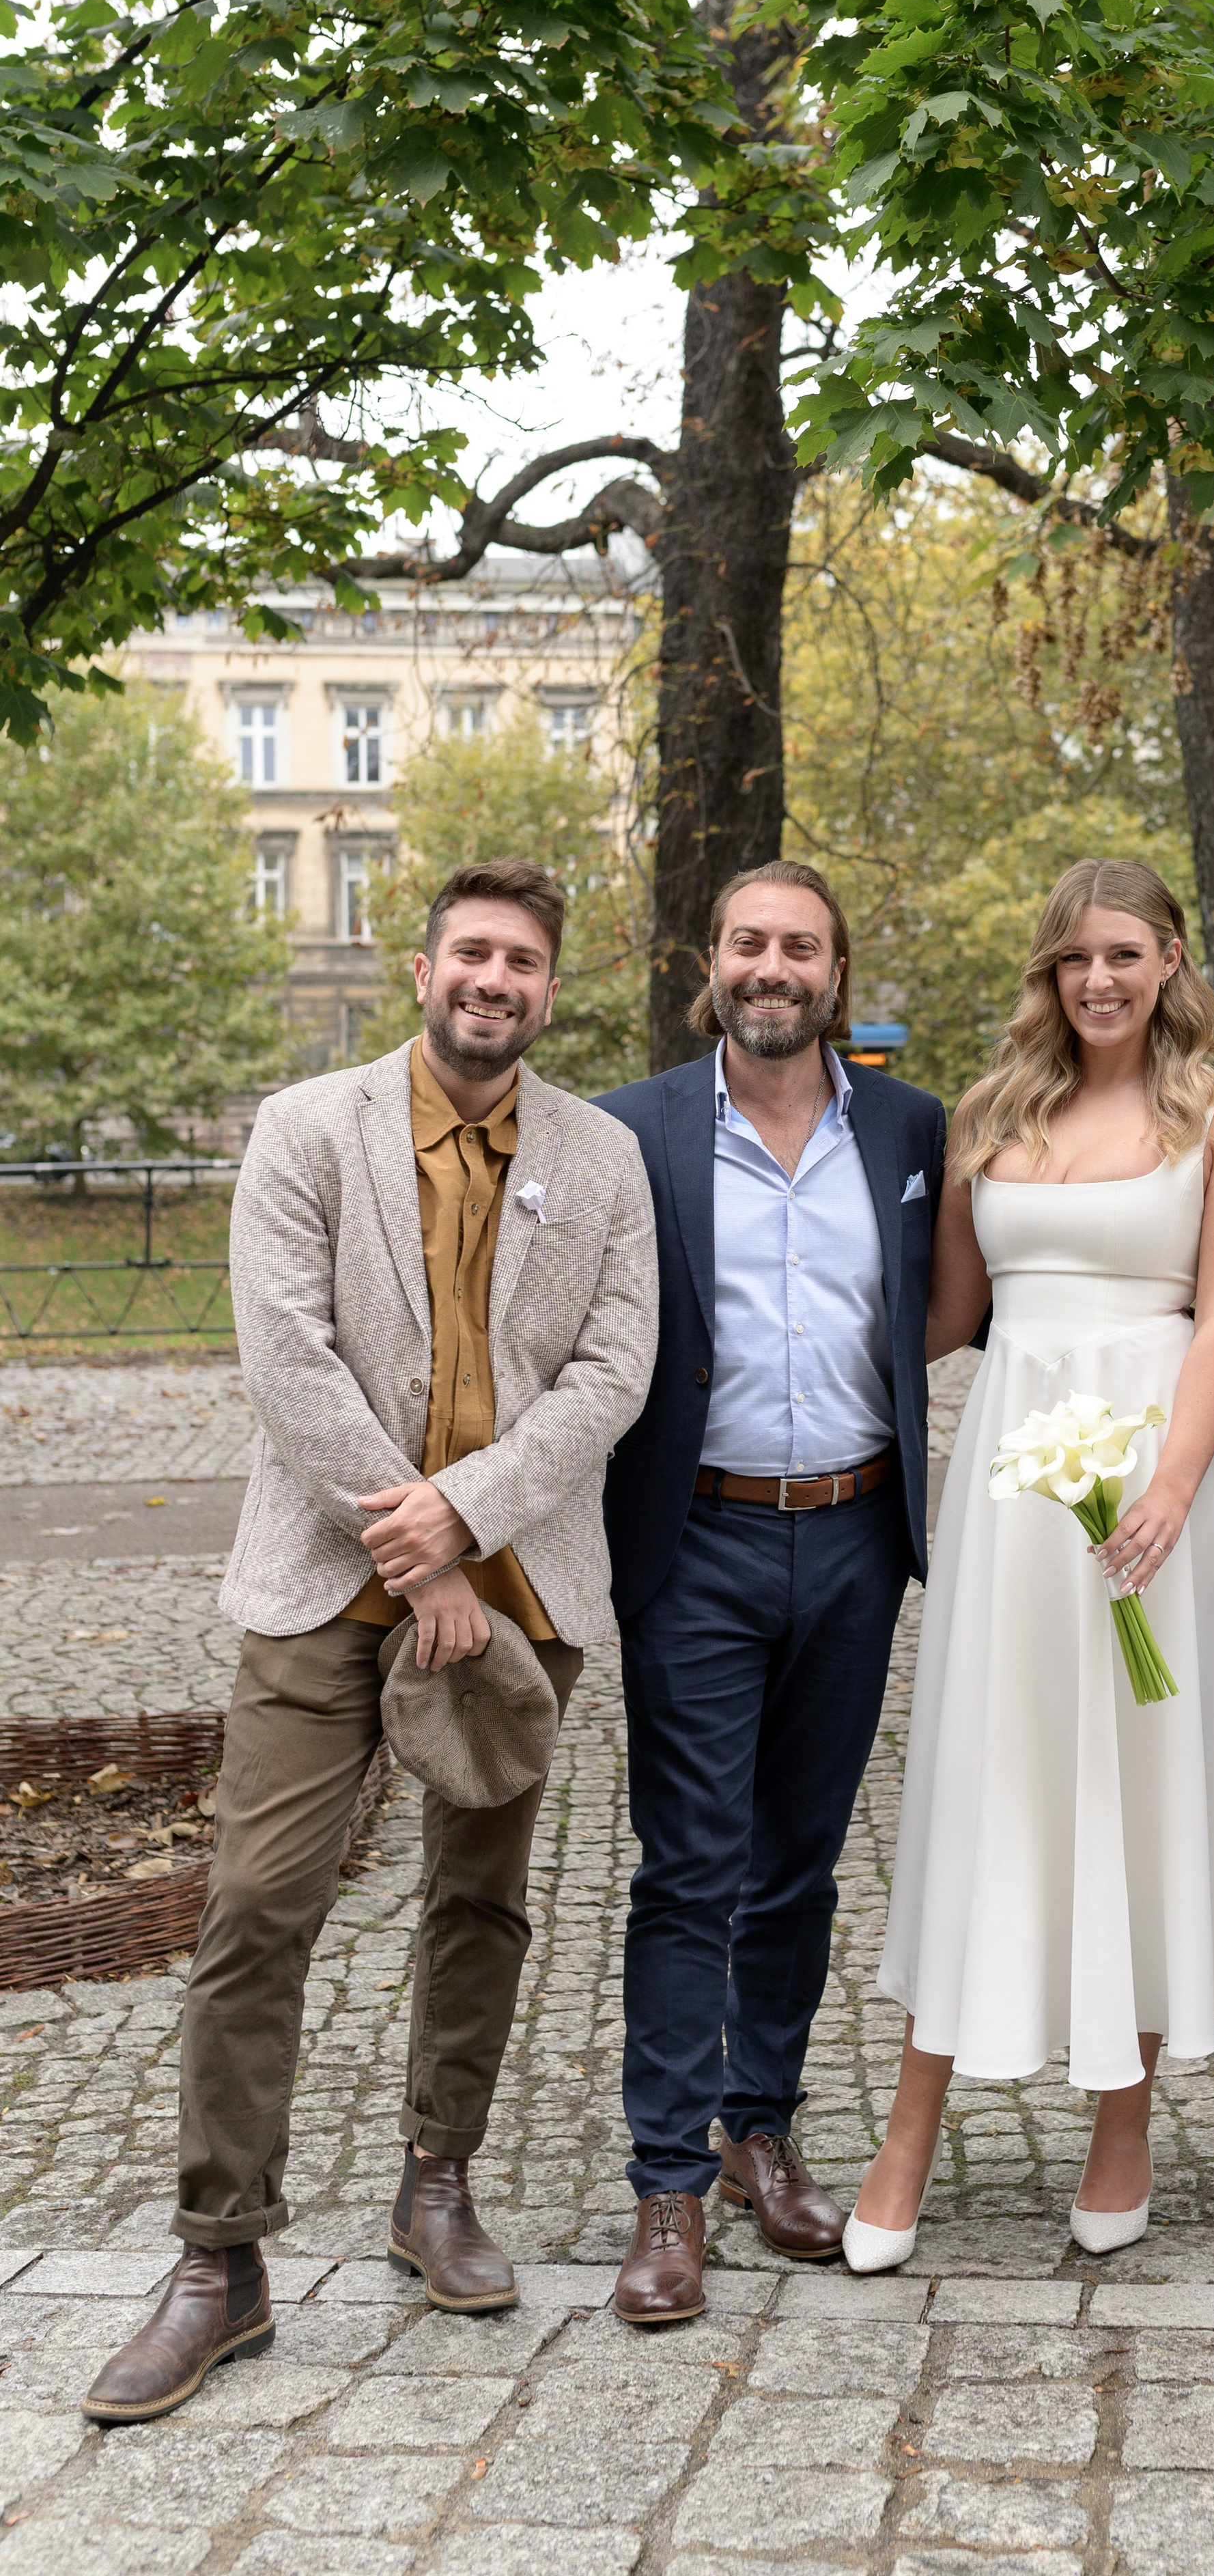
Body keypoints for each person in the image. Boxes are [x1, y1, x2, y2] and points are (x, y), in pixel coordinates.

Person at [83, 859, 658, 2424]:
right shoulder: (304, 1127)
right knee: (257, 1901)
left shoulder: (600, 1157)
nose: (496, 979)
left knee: (480, 1905)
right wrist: (414, 1555)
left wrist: (464, 1529)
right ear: (421, 970)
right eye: (471, 951)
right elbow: (284, 1352)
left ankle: (437, 2184)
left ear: (549, 989)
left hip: (519, 1594)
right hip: (320, 1587)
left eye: (523, 960)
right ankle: (221, 2258)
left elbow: (612, 1375)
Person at [847, 858, 1214, 2273]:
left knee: (1141, 1785)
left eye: (1123, 953)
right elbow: (940, 1314)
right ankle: (906, 2133)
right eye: (1072, 960)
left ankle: (1124, 2119)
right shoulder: (993, 1112)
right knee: (987, 1775)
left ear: (1170, 959)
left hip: (1162, 1488)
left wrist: (1169, 1488)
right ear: (1046, 977)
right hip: (1012, 1483)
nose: (1098, 980)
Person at [597, 860, 945, 2323]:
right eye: (749, 941)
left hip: (856, 1534)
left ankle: (759, 2131)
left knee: (797, 1856)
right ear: (715, 962)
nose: (772, 966)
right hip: (699, 1539)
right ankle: (666, 2186)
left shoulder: (912, 1129)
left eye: (799, 945)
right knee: (690, 1866)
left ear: (834, 973)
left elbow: (943, 1314)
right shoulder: (636, 1132)